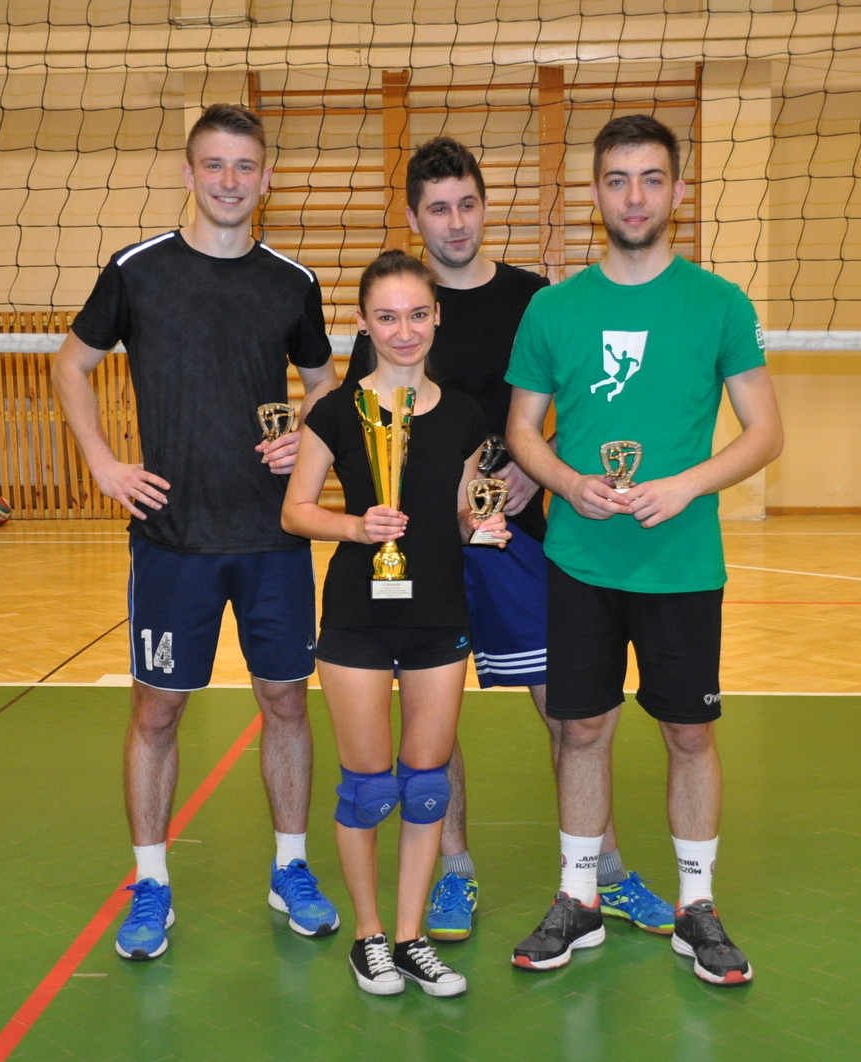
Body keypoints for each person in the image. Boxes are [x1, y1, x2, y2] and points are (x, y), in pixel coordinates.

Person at [345, 137, 676, 943]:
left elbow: (587, 399)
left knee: (570, 712)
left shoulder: (538, 299)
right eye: (438, 209)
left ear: (485, 206)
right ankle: (453, 870)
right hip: (427, 549)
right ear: (415, 218)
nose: (455, 223)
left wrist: (542, 463)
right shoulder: (400, 313)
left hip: (520, 541)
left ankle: (604, 869)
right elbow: (367, 426)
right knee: (432, 725)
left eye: (467, 204)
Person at [51, 103, 341, 961]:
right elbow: (71, 363)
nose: (228, 180)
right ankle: (151, 882)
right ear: (188, 173)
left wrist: (304, 432)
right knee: (158, 709)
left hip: (272, 535)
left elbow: (326, 383)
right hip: (171, 538)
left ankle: (291, 868)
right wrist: (103, 463)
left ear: (266, 178)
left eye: (244, 165)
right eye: (213, 164)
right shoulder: (137, 271)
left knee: (286, 702)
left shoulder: (291, 281)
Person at [503, 115, 784, 984]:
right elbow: (522, 430)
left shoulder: (720, 303)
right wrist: (565, 480)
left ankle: (698, 907)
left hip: (682, 562)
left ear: (678, 191)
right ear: (595, 192)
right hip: (581, 558)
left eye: (652, 178)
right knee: (581, 727)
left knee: (689, 733)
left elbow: (765, 432)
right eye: (618, 179)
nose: (634, 196)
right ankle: (579, 897)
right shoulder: (554, 309)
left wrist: (687, 484)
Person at [283, 250, 508, 997]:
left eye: (417, 314)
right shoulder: (334, 410)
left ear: (437, 316)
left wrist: (482, 525)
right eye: (387, 317)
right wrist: (356, 528)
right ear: (363, 324)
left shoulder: (467, 415)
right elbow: (295, 510)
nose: (404, 330)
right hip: (356, 616)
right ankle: (369, 937)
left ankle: (410, 939)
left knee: (426, 787)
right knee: (368, 789)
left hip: (438, 615)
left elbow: (461, 512)